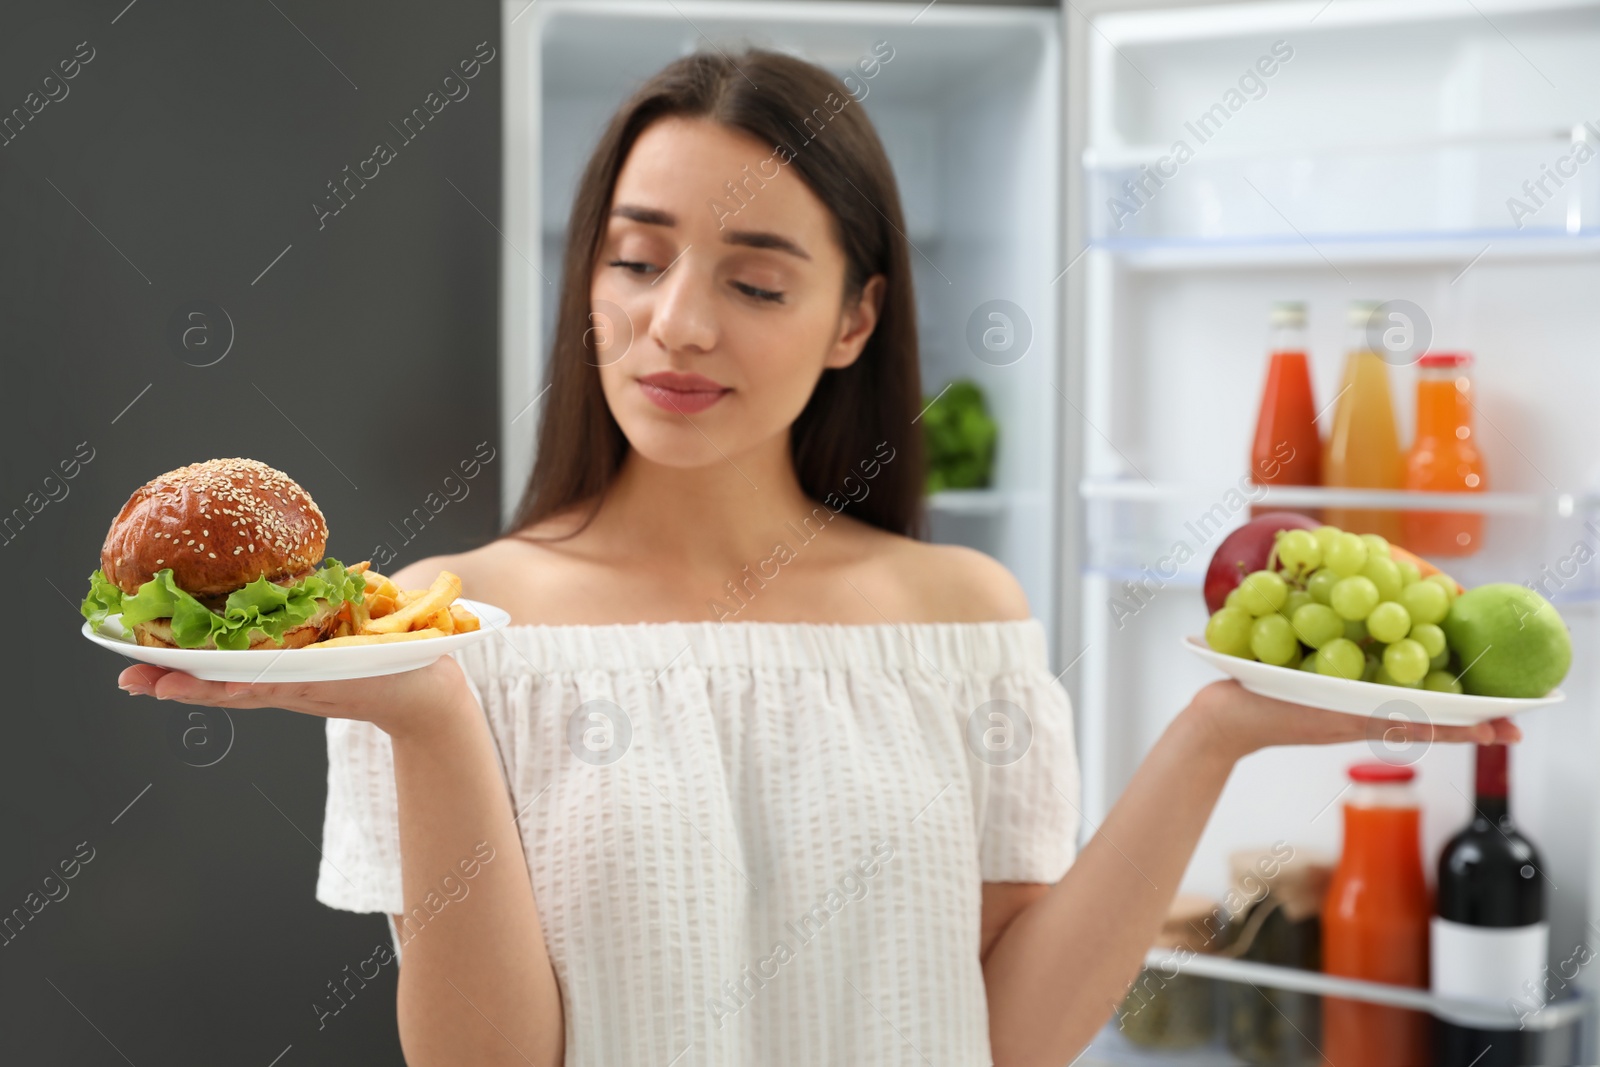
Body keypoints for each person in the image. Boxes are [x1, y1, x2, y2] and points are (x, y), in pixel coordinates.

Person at [115, 49, 1519, 1067]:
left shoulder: (961, 615)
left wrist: (1213, 736)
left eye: (758, 280)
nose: (676, 324)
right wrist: (427, 717)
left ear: (854, 319)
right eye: (635, 259)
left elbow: (1009, 1037)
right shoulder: (439, 630)